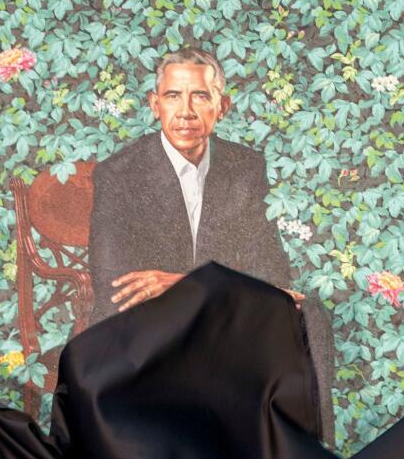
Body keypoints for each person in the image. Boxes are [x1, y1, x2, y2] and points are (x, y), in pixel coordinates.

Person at [88, 48, 296, 323]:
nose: (185, 112)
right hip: (143, 326)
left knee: (310, 316)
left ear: (222, 107)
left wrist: (188, 286)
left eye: (200, 96)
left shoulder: (245, 166)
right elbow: (118, 287)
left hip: (222, 316)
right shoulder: (118, 173)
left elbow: (272, 272)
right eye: (173, 96)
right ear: (154, 105)